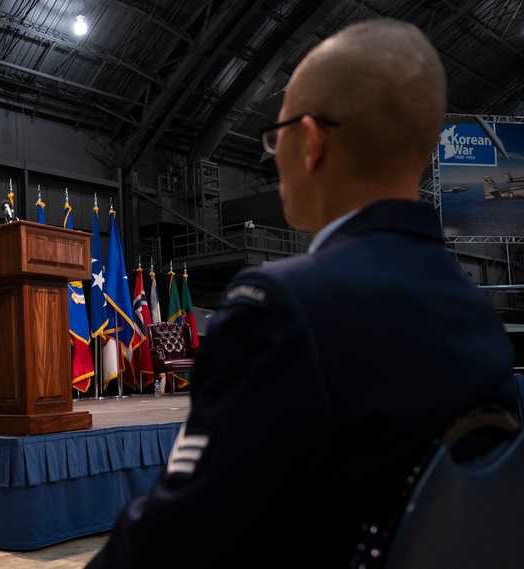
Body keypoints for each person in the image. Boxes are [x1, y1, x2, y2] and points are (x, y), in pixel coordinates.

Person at [87, 19, 518, 568]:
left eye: (277, 134)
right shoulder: (477, 313)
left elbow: (176, 542)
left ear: (311, 141)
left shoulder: (281, 309)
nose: (275, 151)